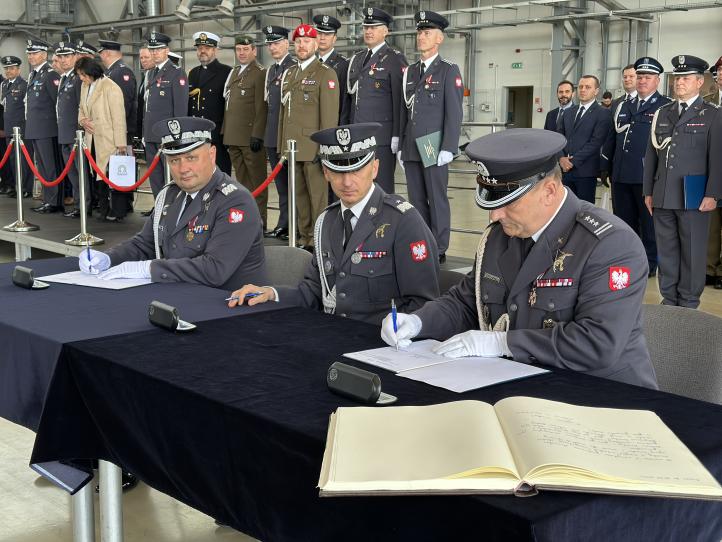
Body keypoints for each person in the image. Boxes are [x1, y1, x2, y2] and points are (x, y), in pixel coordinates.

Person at [381, 128, 658, 389]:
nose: (494, 215)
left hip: (601, 397)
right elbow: (466, 303)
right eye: (491, 201)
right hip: (518, 386)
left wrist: (503, 344)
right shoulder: (500, 236)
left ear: (548, 191)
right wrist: (418, 322)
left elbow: (597, 344)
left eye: (508, 202)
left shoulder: (609, 244)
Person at [229, 122, 439, 325]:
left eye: (356, 170)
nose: (347, 182)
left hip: (384, 346)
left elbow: (423, 304)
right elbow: (314, 293)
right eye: (338, 171)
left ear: (374, 168)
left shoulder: (403, 221)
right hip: (334, 336)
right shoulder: (327, 222)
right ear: (326, 172)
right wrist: (271, 294)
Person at [79, 117, 267, 289]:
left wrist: (149, 269)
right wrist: (108, 258)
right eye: (174, 160)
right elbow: (145, 244)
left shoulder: (235, 201)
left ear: (212, 155)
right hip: (182, 298)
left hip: (229, 307)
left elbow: (214, 270)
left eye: (191, 158)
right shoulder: (171, 194)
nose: (183, 168)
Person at [643, 55, 722, 308]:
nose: (679, 83)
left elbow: (717, 158)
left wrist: (713, 194)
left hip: (694, 196)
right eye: (677, 78)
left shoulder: (712, 115)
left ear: (699, 82)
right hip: (664, 194)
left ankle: (688, 300)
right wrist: (648, 192)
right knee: (667, 252)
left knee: (692, 252)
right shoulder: (663, 113)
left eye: (686, 78)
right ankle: (669, 299)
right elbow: (651, 155)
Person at [399, 10, 463, 265]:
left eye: (426, 33)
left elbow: (454, 112)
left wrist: (449, 146)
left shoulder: (448, 70)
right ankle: (422, 242)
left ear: (439, 39)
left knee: (436, 198)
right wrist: (402, 146)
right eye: (419, 33)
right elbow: (406, 111)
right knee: (415, 199)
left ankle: (438, 246)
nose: (421, 37)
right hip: (412, 145)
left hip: (433, 144)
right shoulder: (411, 71)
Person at [605, 57, 671, 279]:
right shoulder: (624, 105)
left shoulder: (665, 106)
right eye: (640, 76)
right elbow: (612, 138)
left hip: (647, 177)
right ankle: (627, 260)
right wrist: (606, 168)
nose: (642, 81)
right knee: (623, 222)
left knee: (649, 225)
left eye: (647, 77)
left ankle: (650, 263)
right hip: (621, 174)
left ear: (657, 81)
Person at [278, 23, 339, 250]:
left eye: (306, 41)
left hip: (313, 148)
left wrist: (325, 149)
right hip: (292, 148)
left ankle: (319, 240)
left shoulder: (325, 74)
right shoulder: (290, 73)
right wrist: (281, 145)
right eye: (298, 42)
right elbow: (285, 114)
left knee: (318, 200)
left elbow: (329, 117)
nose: (302, 45)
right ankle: (304, 238)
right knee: (300, 199)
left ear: (315, 44)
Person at [347, 7, 407, 195]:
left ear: (386, 31)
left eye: (374, 27)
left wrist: (397, 136)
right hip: (357, 136)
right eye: (366, 27)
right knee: (358, 186)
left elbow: (400, 102)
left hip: (381, 138)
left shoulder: (395, 59)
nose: (368, 31)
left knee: (381, 188)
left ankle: (383, 225)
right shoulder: (357, 59)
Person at [221, 35, 268, 226]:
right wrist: (225, 131)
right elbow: (229, 104)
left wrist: (257, 134)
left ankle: (259, 221)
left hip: (250, 138)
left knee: (257, 182)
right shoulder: (234, 72)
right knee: (241, 183)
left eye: (245, 49)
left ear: (254, 51)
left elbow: (261, 107)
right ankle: (247, 218)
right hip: (233, 136)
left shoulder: (259, 72)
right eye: (238, 49)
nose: (241, 53)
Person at [76, 57, 128, 223]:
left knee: (110, 176)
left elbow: (119, 117)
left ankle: (116, 210)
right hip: (92, 139)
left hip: (108, 139)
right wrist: (83, 121)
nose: (81, 78)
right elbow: (81, 109)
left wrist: (121, 143)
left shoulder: (111, 87)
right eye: (79, 75)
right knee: (98, 176)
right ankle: (104, 208)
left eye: (83, 75)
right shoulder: (85, 86)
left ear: (92, 72)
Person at [142, 32, 189, 200]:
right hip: (151, 135)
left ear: (167, 50)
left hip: (167, 136)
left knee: (171, 179)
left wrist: (176, 136)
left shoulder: (176, 73)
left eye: (159, 49)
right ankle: (159, 207)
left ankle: (171, 209)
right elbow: (148, 107)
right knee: (155, 178)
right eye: (152, 49)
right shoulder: (150, 73)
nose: (155, 53)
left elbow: (181, 109)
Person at [98, 40, 138, 221]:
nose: (100, 56)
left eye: (101, 53)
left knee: (120, 169)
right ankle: (116, 205)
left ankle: (120, 208)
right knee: (112, 170)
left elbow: (124, 105)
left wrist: (119, 131)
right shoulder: (110, 72)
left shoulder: (122, 72)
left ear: (107, 53)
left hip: (120, 131)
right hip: (110, 131)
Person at [262, 25, 295, 241]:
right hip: (272, 135)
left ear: (286, 43)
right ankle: (284, 223)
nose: (272, 47)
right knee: (281, 186)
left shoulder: (293, 68)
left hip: (287, 137)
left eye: (276, 43)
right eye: (270, 44)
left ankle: (293, 225)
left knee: (293, 185)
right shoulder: (271, 70)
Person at [558, 74, 611, 203]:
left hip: (585, 171)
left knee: (584, 210)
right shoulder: (568, 112)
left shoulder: (603, 113)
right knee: (565, 208)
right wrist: (561, 158)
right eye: (580, 87)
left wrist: (573, 161)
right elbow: (559, 137)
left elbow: (596, 142)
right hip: (565, 171)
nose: (583, 90)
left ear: (596, 91)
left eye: (588, 87)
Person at [188, 31, 232, 175]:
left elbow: (229, 106)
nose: (202, 51)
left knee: (220, 175)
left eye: (207, 48)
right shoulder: (193, 73)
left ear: (215, 50)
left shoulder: (226, 72)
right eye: (199, 48)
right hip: (196, 134)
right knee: (198, 175)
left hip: (217, 136)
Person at [25, 39, 62, 213]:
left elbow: (57, 104)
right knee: (42, 167)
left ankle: (54, 201)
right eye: (29, 54)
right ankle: (48, 199)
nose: (31, 57)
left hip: (47, 129)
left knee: (50, 166)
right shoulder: (33, 74)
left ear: (44, 55)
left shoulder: (50, 74)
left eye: (34, 53)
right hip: (35, 129)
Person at [53, 42, 85, 218]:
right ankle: (78, 203)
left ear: (75, 57)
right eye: (61, 57)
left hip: (75, 134)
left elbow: (83, 107)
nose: (64, 60)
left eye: (67, 56)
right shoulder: (65, 78)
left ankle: (83, 205)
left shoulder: (77, 79)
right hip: (64, 133)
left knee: (80, 173)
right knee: (72, 173)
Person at [0, 56, 31, 199]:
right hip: (8, 129)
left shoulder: (24, 84)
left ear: (18, 69)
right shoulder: (4, 85)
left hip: (21, 129)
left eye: (11, 68)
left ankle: (26, 188)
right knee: (12, 160)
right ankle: (17, 186)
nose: (8, 71)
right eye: (6, 68)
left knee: (23, 160)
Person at [313, 14, 350, 126]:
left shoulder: (343, 65)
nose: (322, 38)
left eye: (327, 34)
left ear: (334, 38)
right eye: (319, 33)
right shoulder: (309, 63)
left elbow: (345, 104)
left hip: (331, 126)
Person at [704, 56, 722, 288]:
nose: (720, 75)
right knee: (710, 223)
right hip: (709, 170)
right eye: (718, 71)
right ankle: (708, 268)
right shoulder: (707, 102)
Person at [136, 46, 153, 143]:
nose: (143, 61)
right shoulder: (146, 76)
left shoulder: (158, 77)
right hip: (144, 130)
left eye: (146, 57)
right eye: (141, 58)